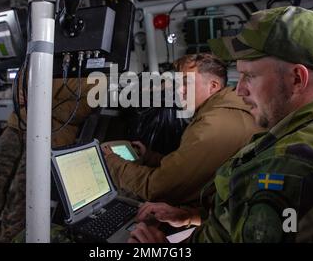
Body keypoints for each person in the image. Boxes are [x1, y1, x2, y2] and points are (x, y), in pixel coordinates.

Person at [128, 6, 313, 243]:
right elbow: (252, 225)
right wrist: (191, 216)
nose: (239, 90)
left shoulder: (290, 170)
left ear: (296, 79)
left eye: (250, 76)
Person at [103, 53, 261, 205]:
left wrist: (111, 161)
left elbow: (158, 189)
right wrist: (151, 157)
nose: (179, 90)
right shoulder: (229, 111)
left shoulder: (212, 125)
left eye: (186, 83)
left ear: (213, 86)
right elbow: (193, 167)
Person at [0, 78, 94, 243]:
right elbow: (21, 87)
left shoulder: (93, 71)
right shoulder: (37, 56)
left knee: (19, 200)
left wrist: (38, 99)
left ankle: (3, 240)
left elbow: (81, 109)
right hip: (16, 127)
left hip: (51, 136)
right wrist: (20, 92)